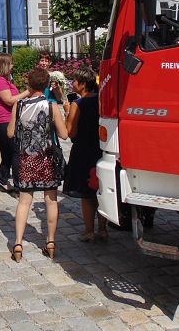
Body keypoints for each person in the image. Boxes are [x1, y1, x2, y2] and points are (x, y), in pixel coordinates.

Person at [7, 67, 68, 262]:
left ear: (29, 85)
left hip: (27, 158)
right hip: (47, 158)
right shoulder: (51, 106)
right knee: (51, 200)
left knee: (24, 201)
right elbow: (64, 134)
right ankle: (50, 241)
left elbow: (10, 133)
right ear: (46, 85)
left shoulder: (20, 105)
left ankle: (17, 243)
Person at [64, 67, 107, 242]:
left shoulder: (77, 104)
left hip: (83, 150)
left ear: (82, 84)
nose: (72, 83)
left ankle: (89, 230)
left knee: (86, 194)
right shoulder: (101, 100)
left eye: (74, 81)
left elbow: (70, 132)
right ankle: (103, 229)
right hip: (100, 148)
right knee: (100, 190)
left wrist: (67, 112)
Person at [0, 53, 30, 193]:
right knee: (15, 153)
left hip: (8, 119)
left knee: (7, 154)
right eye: (11, 63)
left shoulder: (4, 79)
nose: (13, 66)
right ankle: (19, 186)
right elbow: (9, 100)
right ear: (5, 65)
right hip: (3, 121)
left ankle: (1, 181)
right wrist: (28, 92)